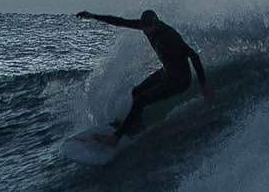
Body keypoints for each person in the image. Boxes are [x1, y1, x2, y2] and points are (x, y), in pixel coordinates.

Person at [75, 9, 208, 142]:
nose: (146, 31)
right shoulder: (145, 25)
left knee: (141, 100)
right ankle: (135, 126)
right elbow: (120, 22)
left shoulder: (170, 36)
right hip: (167, 72)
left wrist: (204, 86)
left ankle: (115, 139)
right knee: (136, 91)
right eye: (144, 28)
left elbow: (194, 56)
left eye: (148, 28)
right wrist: (93, 16)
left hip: (180, 80)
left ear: (155, 24)